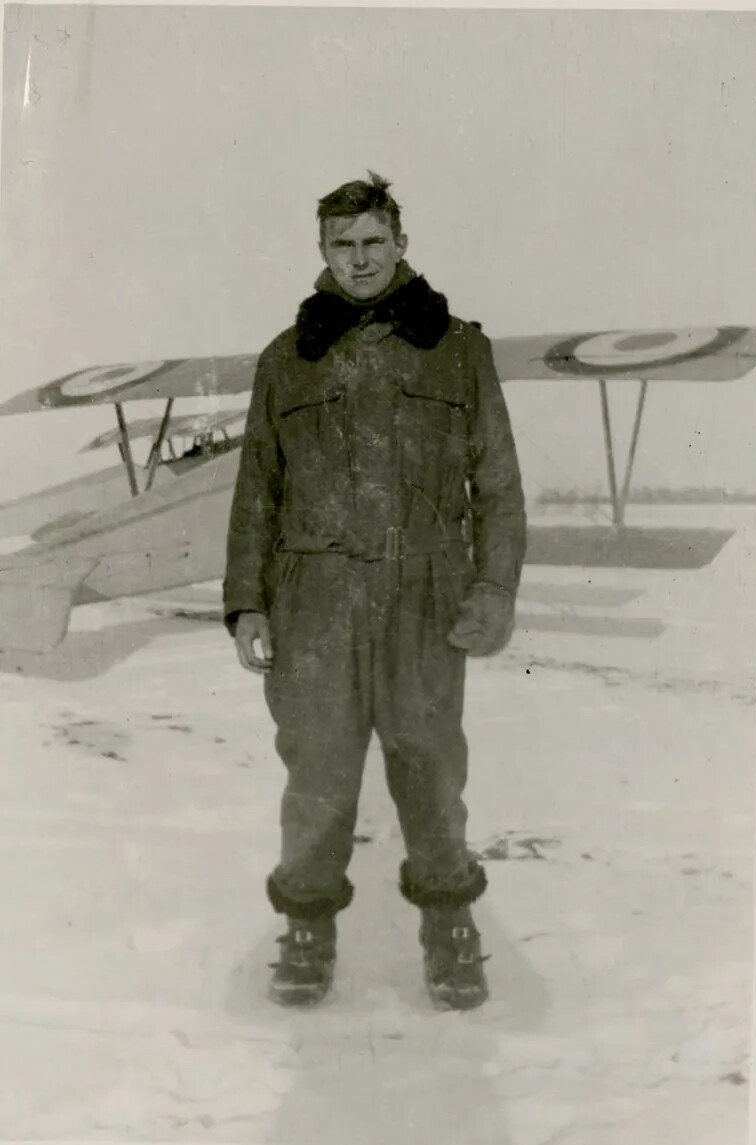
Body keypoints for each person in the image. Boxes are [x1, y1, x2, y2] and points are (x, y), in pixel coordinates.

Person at [223, 173, 526, 1010]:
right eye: (341, 245)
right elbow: (257, 489)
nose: (358, 260)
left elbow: (496, 484)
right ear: (322, 252)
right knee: (316, 775)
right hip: (312, 599)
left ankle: (446, 922)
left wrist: (494, 586)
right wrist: (248, 600)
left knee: (429, 767)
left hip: (423, 596)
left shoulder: (459, 348)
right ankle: (308, 924)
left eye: (372, 242)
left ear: (400, 243)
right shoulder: (286, 360)